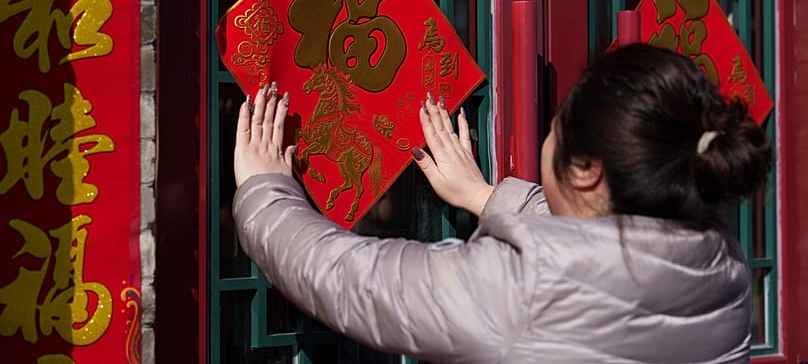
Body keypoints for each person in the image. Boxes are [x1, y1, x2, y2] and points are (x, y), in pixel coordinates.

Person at [232, 43, 771, 363]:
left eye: (554, 132)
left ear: (585, 172)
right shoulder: (723, 267)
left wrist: (267, 192)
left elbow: (355, 281)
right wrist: (487, 197)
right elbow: (608, 262)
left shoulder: (523, 289)